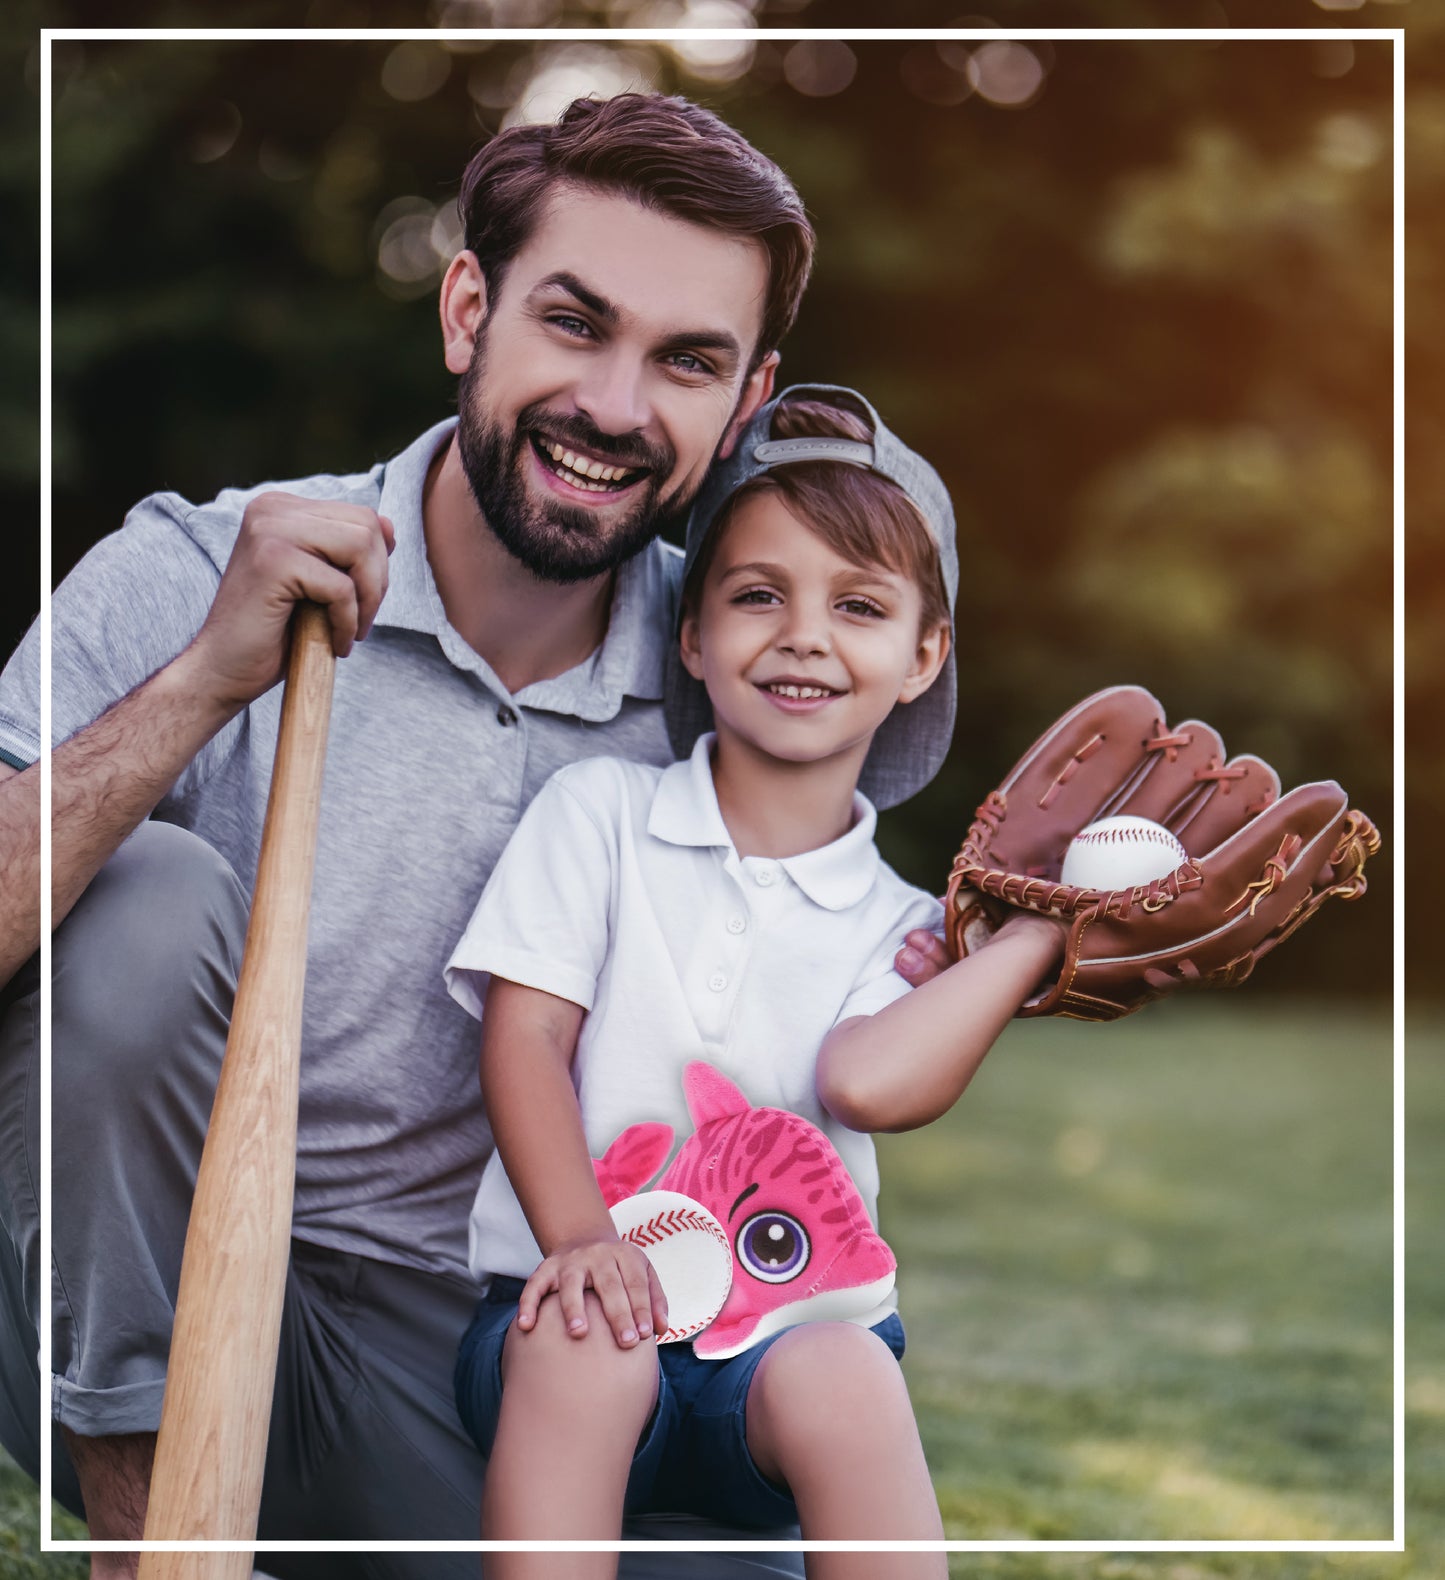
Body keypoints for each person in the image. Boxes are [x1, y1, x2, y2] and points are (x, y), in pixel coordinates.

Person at [0, 93, 949, 1576]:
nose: (618, 407)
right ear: (466, 308)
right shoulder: (198, 566)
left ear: (747, 397)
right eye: (574, 323)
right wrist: (200, 683)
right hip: (118, 1284)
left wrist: (1052, 940)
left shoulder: (739, 667)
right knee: (147, 904)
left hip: (470, 1340)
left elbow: (854, 937)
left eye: (686, 361)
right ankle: (164, 1552)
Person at [444, 387, 1064, 1579]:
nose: (804, 635)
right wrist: (581, 1240)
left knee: (847, 1371)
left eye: (861, 605)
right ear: (691, 631)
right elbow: (522, 1042)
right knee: (588, 1337)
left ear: (921, 653)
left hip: (774, 1356)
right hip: (564, 1312)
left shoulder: (902, 927)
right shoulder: (601, 816)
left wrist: (1026, 940)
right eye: (757, 594)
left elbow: (869, 1081)